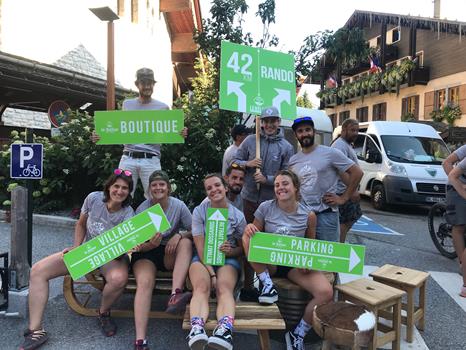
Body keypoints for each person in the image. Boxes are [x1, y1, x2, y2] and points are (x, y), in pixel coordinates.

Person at [20, 170, 135, 350]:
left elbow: (127, 244)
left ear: (129, 192)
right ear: (109, 187)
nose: (120, 191)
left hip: (112, 255)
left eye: (125, 188)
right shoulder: (93, 199)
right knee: (38, 270)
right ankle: (36, 331)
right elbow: (81, 223)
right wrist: (76, 246)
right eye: (116, 186)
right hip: (88, 250)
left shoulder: (128, 213)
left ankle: (103, 312)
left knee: (118, 278)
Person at [242, 170, 333, 350]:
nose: (280, 188)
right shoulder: (265, 207)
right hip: (271, 263)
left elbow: (310, 246)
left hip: (294, 264)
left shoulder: (309, 215)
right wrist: (251, 227)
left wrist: (308, 261)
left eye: (285, 184)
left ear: (295, 188)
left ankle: (297, 333)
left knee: (326, 292)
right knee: (247, 236)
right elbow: (255, 237)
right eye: (276, 185)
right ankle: (267, 285)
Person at [91, 68, 187, 198]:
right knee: (120, 195)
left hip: (151, 158)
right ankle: (124, 219)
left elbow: (171, 129)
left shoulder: (163, 107)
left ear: (154, 84)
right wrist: (99, 135)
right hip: (128, 157)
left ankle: (154, 219)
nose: (147, 86)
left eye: (150, 83)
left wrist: (180, 132)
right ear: (137, 85)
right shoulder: (127, 105)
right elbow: (118, 128)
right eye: (144, 83)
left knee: (156, 197)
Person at [234, 106, 294, 301]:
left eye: (273, 120)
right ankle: (248, 285)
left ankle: (267, 284)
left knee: (268, 243)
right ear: (261, 122)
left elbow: (287, 174)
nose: (269, 124)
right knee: (248, 239)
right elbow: (234, 160)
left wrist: (267, 179)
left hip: (271, 203)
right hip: (250, 199)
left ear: (279, 122)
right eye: (266, 121)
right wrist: (248, 164)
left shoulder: (286, 146)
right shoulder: (251, 141)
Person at [130, 170, 193, 350]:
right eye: (154, 185)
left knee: (187, 243)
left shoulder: (178, 206)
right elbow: (135, 244)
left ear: (168, 188)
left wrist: (180, 235)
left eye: (161, 184)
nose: (158, 188)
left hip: (168, 252)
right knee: (145, 282)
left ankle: (175, 294)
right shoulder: (143, 208)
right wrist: (149, 244)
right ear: (150, 189)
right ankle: (140, 340)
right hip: (146, 254)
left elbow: (195, 230)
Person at [187, 174, 246, 350]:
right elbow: (199, 247)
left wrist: (232, 250)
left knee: (223, 288)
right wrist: (212, 273)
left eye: (217, 185)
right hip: (203, 257)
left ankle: (224, 331)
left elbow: (244, 249)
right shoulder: (200, 211)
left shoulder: (237, 215)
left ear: (225, 187)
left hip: (228, 259)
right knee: (201, 287)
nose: (214, 190)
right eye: (209, 188)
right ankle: (196, 329)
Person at [289, 116, 363, 242]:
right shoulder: (293, 160)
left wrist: (344, 198)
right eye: (300, 131)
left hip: (326, 215)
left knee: (327, 258)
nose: (304, 134)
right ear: (296, 135)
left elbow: (357, 172)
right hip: (302, 216)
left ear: (314, 132)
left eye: (308, 130)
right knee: (306, 256)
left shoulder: (330, 153)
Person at [331, 118, 363, 242]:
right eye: (352, 130)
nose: (355, 133)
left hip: (347, 190)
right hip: (342, 191)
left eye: (357, 130)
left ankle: (339, 243)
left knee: (350, 219)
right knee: (344, 223)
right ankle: (339, 247)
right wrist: (352, 190)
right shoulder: (339, 145)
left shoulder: (346, 144)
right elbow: (340, 170)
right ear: (344, 130)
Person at [442, 144, 466, 297]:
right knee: (460, 226)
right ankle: (462, 263)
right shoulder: (464, 149)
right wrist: (462, 185)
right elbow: (446, 163)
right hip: (457, 188)